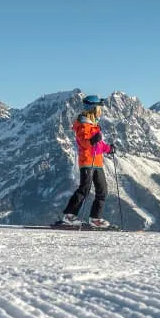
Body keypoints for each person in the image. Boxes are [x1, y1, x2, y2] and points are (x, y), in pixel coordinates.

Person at [60, 95, 114, 228]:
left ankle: (95, 218)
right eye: (99, 109)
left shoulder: (95, 125)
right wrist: (91, 141)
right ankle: (69, 215)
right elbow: (83, 142)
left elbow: (99, 145)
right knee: (84, 189)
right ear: (92, 109)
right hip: (87, 161)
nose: (100, 111)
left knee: (103, 190)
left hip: (97, 162)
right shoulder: (82, 124)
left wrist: (108, 149)